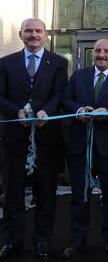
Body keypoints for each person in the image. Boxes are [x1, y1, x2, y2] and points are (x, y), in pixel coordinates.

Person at [60, 38, 108, 257]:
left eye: (106, 51)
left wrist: (107, 112)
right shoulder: (79, 76)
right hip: (80, 147)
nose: (101, 55)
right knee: (79, 197)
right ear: (93, 53)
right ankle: (77, 240)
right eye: (97, 51)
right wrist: (79, 110)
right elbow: (66, 99)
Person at [0, 18, 68, 259]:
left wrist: (46, 112)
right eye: (28, 31)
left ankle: (42, 240)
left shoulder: (59, 63)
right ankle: (12, 240)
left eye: (38, 31)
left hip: (47, 139)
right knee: (12, 193)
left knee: (46, 192)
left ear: (46, 35)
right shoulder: (5, 63)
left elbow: (60, 94)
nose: (33, 35)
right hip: (14, 140)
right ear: (20, 34)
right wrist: (16, 111)